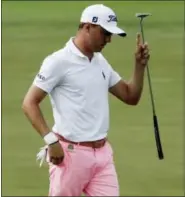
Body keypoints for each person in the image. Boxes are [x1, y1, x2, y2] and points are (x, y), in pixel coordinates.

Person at [22, 4, 150, 196]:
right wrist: (51, 141)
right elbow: (29, 103)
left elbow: (130, 96)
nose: (108, 40)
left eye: (110, 35)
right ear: (87, 26)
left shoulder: (100, 62)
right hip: (70, 155)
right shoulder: (58, 61)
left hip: (103, 156)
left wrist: (139, 66)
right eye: (105, 33)